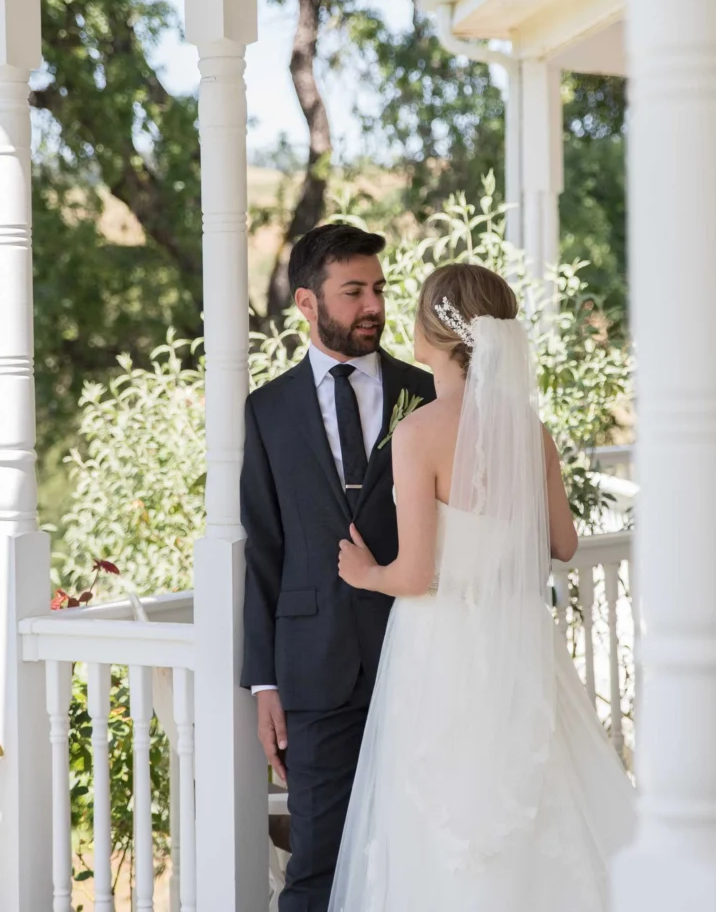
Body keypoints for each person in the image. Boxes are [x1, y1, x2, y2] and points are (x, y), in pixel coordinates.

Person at [331, 262, 636, 912]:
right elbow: (565, 543)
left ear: (439, 333)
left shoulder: (418, 435)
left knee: (437, 816)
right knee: (544, 799)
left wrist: (365, 573)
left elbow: (414, 575)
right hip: (518, 645)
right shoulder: (531, 431)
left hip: (440, 652)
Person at [240, 223, 436, 912]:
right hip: (313, 672)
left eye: (378, 289)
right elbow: (264, 547)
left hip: (418, 654)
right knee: (316, 865)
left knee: (420, 850)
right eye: (353, 291)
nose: (372, 305)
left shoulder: (428, 391)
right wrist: (263, 682)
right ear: (305, 303)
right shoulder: (267, 411)